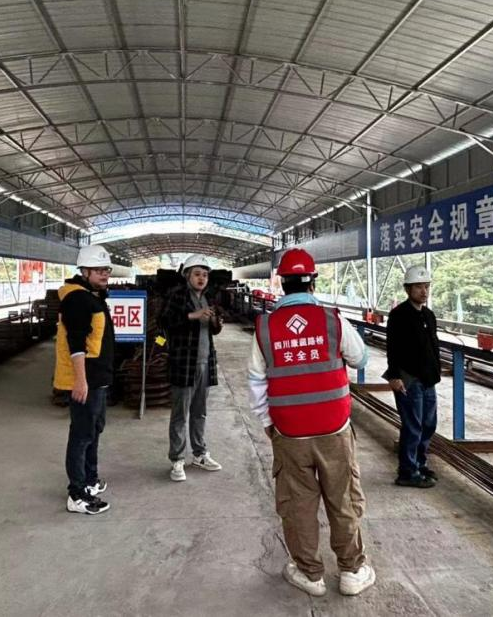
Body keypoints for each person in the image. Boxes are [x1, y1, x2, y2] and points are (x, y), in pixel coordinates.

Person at [248, 248, 376, 597]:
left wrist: (268, 421)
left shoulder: (265, 327)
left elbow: (256, 380)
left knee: (298, 504)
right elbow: (360, 358)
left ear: (282, 284)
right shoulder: (333, 320)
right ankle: (351, 571)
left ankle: (310, 574)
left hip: (289, 432)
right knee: (343, 498)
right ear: (312, 282)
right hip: (334, 429)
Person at [55, 245, 115, 515]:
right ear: (85, 271)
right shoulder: (77, 299)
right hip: (86, 380)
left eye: (106, 269)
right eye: (98, 270)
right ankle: (77, 494)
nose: (104, 274)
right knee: (81, 434)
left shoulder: (92, 297)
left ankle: (90, 480)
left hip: (97, 378)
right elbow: (76, 343)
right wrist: (80, 381)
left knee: (94, 430)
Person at [159, 254, 223, 482]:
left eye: (205, 275)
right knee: (180, 414)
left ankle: (199, 453)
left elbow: (214, 330)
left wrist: (215, 322)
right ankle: (177, 459)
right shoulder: (177, 296)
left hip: (205, 362)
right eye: (197, 274)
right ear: (187, 275)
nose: (201, 278)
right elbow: (164, 322)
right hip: (184, 363)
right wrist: (192, 315)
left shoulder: (209, 298)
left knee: (200, 412)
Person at [383, 266, 440, 488]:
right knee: (412, 426)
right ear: (408, 289)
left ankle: (419, 463)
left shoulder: (428, 315)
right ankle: (407, 471)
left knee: (428, 424)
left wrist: (435, 374)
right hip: (409, 378)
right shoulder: (399, 315)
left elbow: (433, 347)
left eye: (426, 286)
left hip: (427, 379)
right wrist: (394, 376)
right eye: (418, 287)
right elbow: (392, 348)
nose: (424, 291)